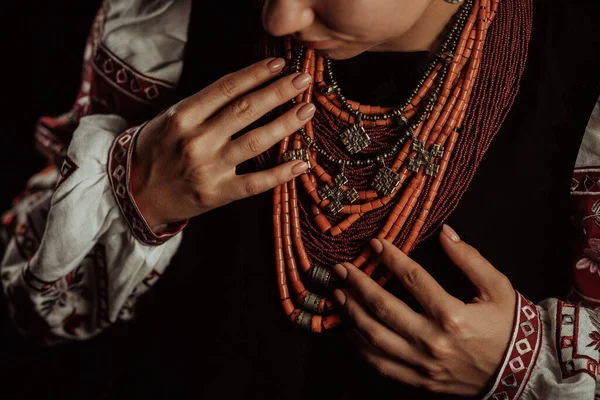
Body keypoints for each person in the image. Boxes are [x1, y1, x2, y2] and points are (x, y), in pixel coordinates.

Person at [1, 0, 599, 398]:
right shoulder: (171, 19)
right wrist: (137, 192)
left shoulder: (581, 64)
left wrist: (523, 361)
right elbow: (35, 310)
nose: (280, 16)